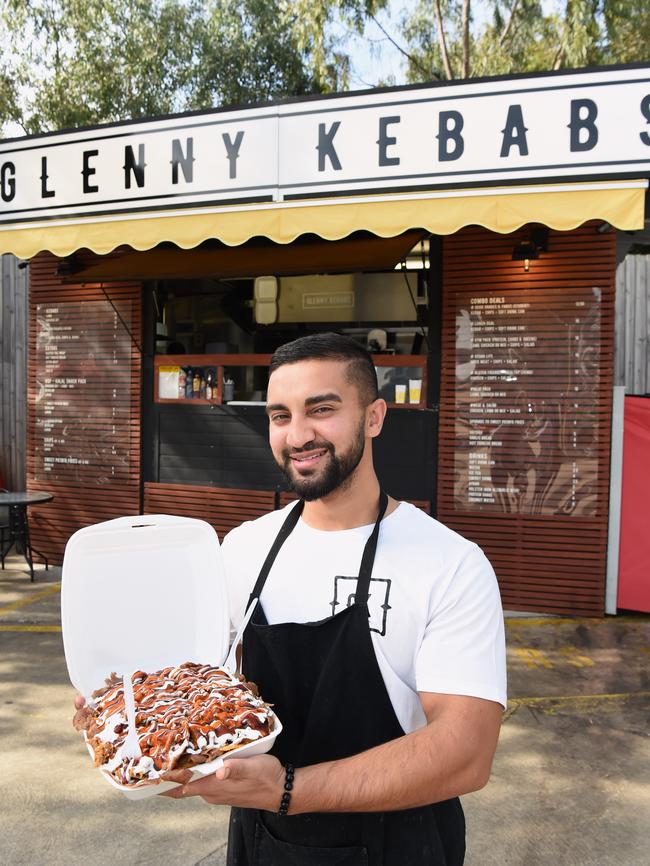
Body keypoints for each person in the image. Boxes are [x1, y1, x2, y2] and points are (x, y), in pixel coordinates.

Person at [165, 332, 507, 865]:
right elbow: (215, 690)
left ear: (374, 417)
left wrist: (291, 790)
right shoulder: (243, 548)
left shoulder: (450, 563)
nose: (298, 435)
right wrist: (134, 719)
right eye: (280, 416)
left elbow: (467, 755)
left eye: (321, 410)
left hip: (401, 845)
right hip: (263, 841)